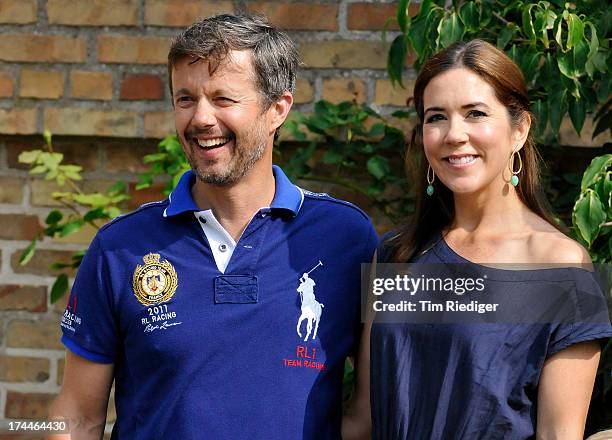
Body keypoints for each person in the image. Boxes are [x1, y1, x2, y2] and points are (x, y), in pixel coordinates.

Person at [49, 14, 377, 439]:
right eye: (185, 99)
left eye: (223, 98)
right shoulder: (120, 247)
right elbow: (75, 416)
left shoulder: (347, 237)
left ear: (278, 109)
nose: (201, 118)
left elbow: (368, 413)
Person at [353, 40, 612, 439]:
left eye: (475, 113)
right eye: (436, 117)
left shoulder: (559, 269)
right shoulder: (397, 253)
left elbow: (559, 434)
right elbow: (363, 420)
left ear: (519, 129)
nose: (454, 134)